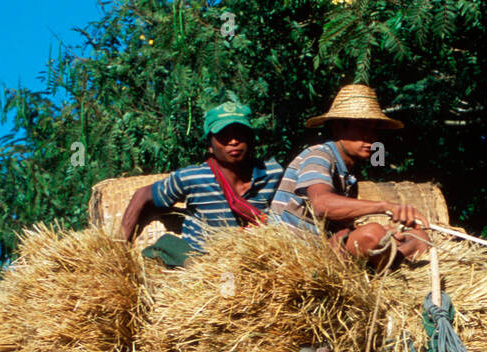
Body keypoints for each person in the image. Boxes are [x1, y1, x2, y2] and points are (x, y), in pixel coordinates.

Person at [270, 85, 430, 269]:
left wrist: (391, 232)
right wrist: (384, 206)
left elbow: (335, 229)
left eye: (374, 130)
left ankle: (389, 260)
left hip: (320, 249)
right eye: (362, 128)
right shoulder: (318, 156)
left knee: (419, 238)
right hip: (294, 251)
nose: (370, 137)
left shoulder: (347, 176)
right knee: (372, 235)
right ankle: (390, 263)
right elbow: (321, 205)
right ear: (338, 127)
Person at [121, 101, 283, 265]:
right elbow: (142, 194)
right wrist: (120, 248)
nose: (233, 141)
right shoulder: (192, 178)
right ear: (210, 146)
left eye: (240, 134)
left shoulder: (273, 174)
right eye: (223, 135)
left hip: (253, 263)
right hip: (203, 267)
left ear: (251, 139)